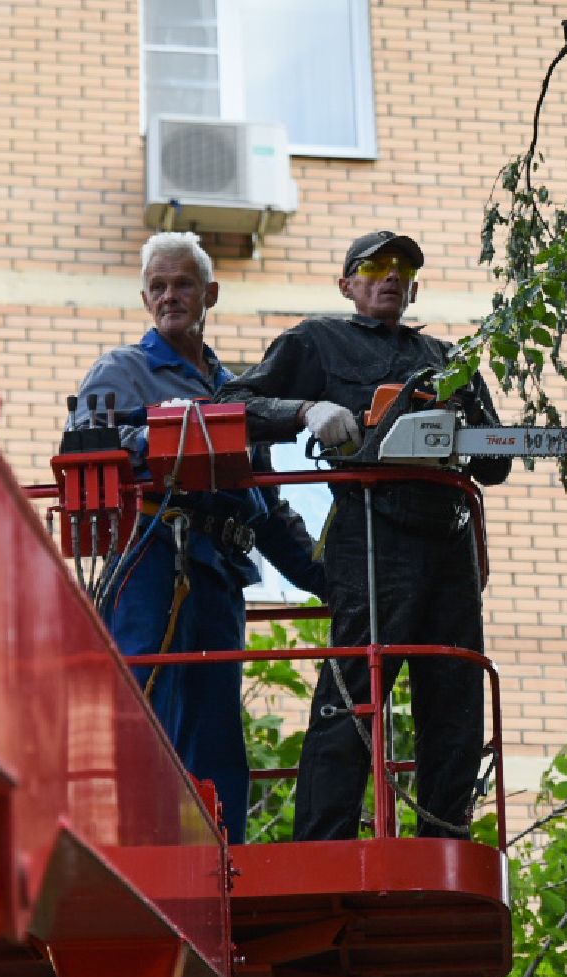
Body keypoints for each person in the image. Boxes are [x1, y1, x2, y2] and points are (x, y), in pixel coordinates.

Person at [220, 229, 510, 841]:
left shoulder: (447, 358)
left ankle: (444, 832)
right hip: (373, 532)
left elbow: (496, 462)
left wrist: (464, 427)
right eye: (374, 266)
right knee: (358, 683)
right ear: (347, 283)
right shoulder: (318, 340)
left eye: (403, 268)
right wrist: (304, 411)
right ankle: (324, 838)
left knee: (455, 689)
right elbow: (234, 402)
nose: (390, 277)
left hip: (447, 538)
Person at [69, 231, 326, 843]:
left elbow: (267, 506)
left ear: (210, 292)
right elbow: (85, 448)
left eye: (182, 283)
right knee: (150, 699)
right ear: (144, 297)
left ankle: (221, 854)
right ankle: (143, 844)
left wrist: (329, 579)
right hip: (152, 555)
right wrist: (169, 437)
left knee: (215, 728)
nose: (170, 296)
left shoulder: (238, 393)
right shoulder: (124, 370)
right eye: (158, 286)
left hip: (220, 569)